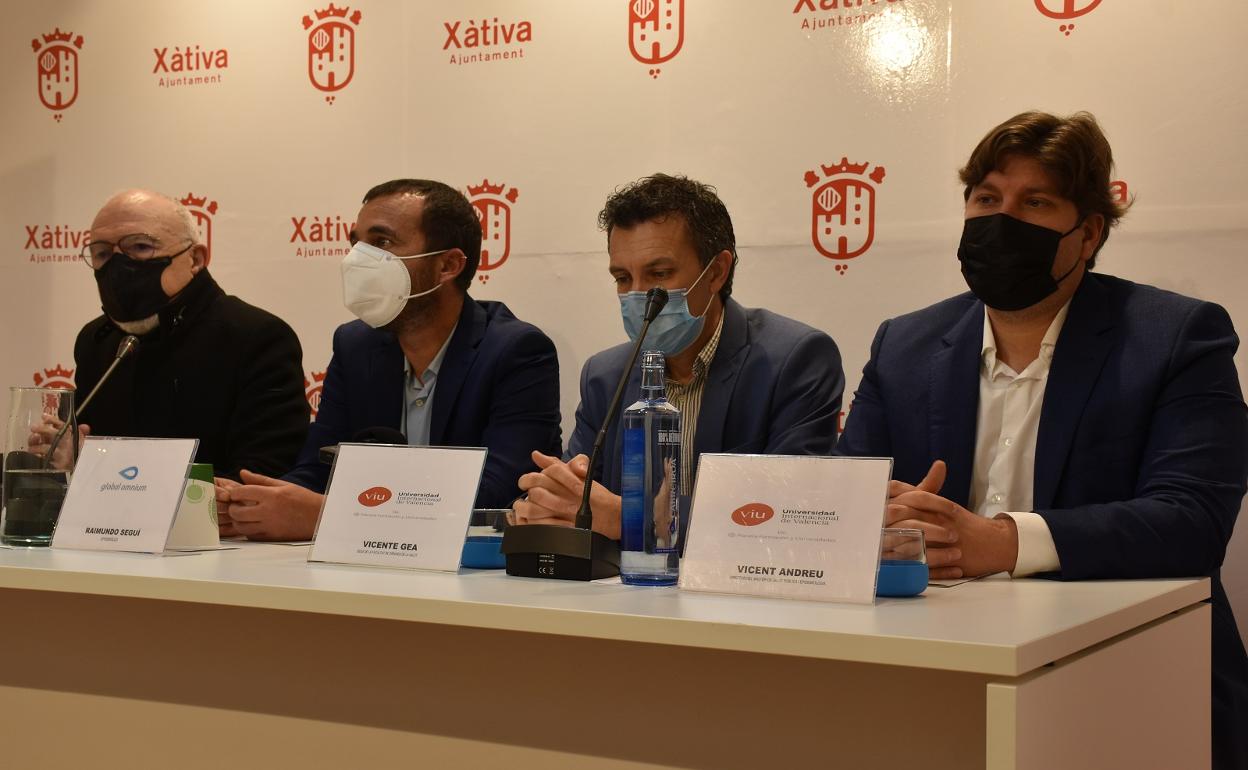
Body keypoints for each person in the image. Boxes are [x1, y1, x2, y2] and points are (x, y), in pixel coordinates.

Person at [836, 111, 1248, 769]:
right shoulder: (904, 345)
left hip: (1134, 682)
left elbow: (1193, 521)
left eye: (1035, 203)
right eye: (986, 199)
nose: (1002, 221)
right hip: (933, 681)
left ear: (1088, 233)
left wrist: (1001, 542)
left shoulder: (1175, 337)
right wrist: (881, 521)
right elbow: (843, 499)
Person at [216, 179, 561, 541]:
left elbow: (497, 495)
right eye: (356, 243)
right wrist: (253, 503)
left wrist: (329, 515)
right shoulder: (354, 346)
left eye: (381, 243)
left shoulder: (517, 351)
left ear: (448, 265)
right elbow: (317, 471)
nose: (357, 260)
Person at [512, 173, 844, 541]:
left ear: (716, 272)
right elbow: (579, 501)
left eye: (659, 273)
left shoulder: (795, 361)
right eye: (622, 278)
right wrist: (550, 503)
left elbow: (788, 512)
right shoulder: (604, 376)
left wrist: (631, 519)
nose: (638, 295)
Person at [73, 189, 309, 479]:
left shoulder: (257, 337)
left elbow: (261, 476)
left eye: (141, 246)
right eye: (102, 253)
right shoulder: (96, 340)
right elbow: (86, 456)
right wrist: (69, 460)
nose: (117, 265)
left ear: (195, 258)